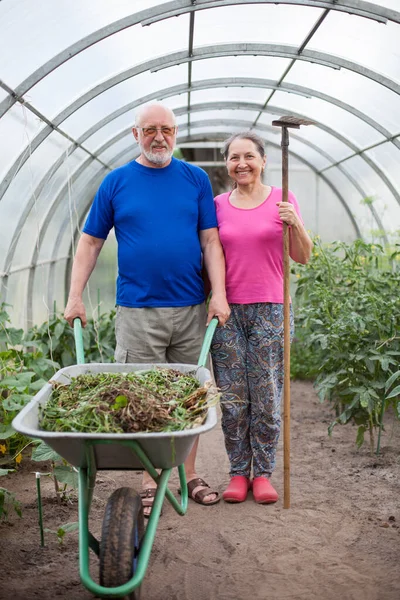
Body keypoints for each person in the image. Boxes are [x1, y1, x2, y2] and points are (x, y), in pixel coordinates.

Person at [64, 103, 230, 516]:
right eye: (150, 129)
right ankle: (146, 482)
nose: (160, 137)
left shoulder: (195, 179)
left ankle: (189, 476)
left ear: (175, 133)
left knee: (189, 397)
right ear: (134, 134)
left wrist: (219, 294)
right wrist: (74, 295)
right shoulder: (117, 182)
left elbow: (210, 241)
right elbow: (90, 242)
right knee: (141, 397)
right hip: (138, 311)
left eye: (167, 129)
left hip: (191, 308)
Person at [210, 131, 313, 504]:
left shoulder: (283, 200)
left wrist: (295, 223)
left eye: (249, 156)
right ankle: (239, 473)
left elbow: (303, 255)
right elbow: (210, 254)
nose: (241, 164)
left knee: (267, 396)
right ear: (227, 164)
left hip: (272, 308)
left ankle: (264, 474)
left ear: (263, 160)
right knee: (233, 398)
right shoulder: (218, 204)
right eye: (234, 157)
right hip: (227, 312)